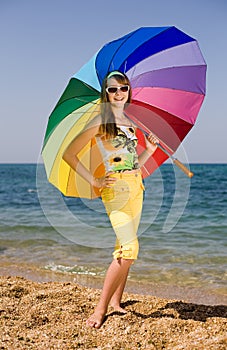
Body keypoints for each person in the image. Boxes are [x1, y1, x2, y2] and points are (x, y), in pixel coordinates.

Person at [63, 71, 158, 328]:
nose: (119, 94)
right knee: (130, 249)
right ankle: (100, 309)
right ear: (106, 93)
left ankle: (117, 302)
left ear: (128, 91)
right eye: (113, 89)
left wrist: (148, 151)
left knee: (122, 246)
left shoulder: (130, 122)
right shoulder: (99, 122)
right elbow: (69, 154)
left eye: (123, 89)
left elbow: (132, 163)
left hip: (136, 186)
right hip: (115, 189)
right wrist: (94, 181)